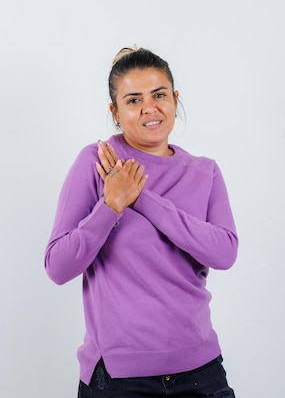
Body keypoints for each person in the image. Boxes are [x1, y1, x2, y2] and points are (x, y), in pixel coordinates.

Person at [44, 46, 239, 398]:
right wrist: (110, 205)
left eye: (159, 95)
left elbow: (224, 253)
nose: (150, 108)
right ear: (115, 112)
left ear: (176, 100)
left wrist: (141, 198)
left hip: (201, 372)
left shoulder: (204, 171)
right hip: (120, 379)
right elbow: (58, 266)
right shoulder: (98, 162)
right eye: (133, 100)